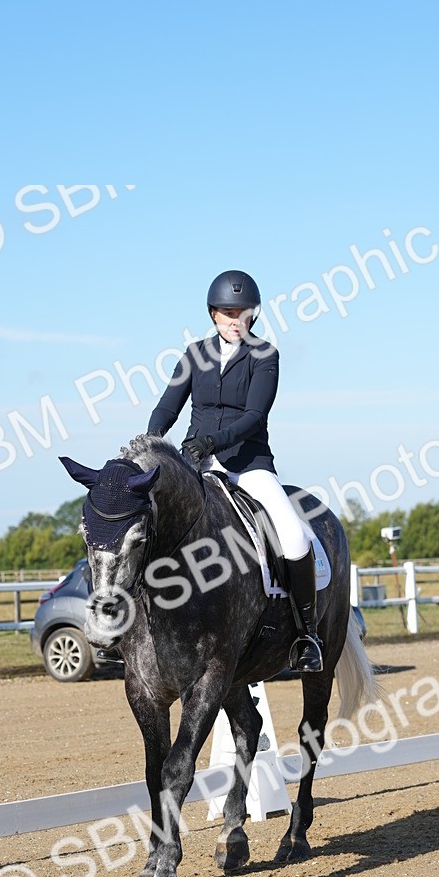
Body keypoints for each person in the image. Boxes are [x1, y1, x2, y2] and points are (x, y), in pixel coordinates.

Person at [146, 269, 322, 672]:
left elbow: (255, 416)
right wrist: (150, 443)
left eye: (242, 313)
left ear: (253, 315)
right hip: (195, 465)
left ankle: (306, 634)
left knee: (293, 537)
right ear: (213, 314)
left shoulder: (265, 356)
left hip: (249, 464)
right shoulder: (194, 354)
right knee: (149, 524)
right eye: (227, 313)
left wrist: (214, 442)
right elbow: (167, 406)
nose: (235, 320)